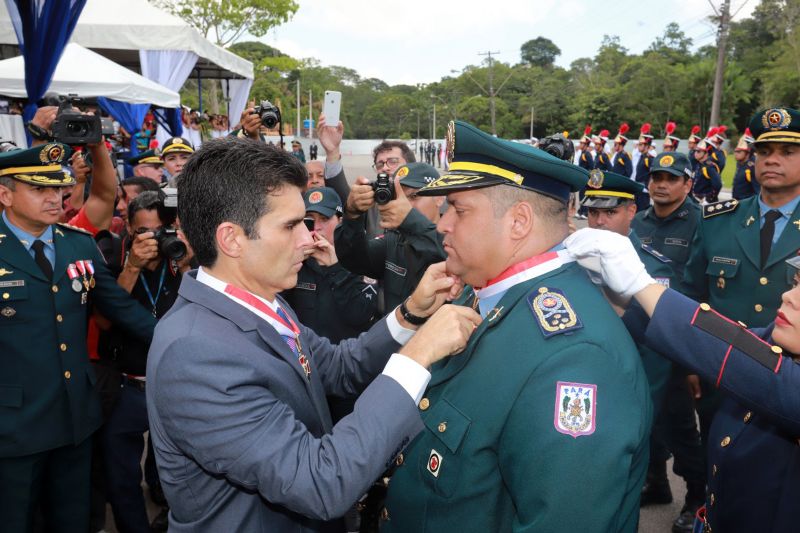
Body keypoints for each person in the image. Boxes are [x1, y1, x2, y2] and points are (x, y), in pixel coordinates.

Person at [146, 137, 481, 531]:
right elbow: (320, 483)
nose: (308, 239)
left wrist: (410, 314)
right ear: (232, 239)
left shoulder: (262, 303)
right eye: (291, 226)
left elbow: (338, 366)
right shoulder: (194, 351)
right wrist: (417, 357)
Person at [382, 121, 652, 532]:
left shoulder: (575, 358)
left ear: (519, 222)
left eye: (459, 209)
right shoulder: (483, 293)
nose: (442, 224)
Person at [565, 227, 800, 533]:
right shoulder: (775, 341)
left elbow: (741, 362)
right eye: (796, 283)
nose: (788, 296)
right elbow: (709, 342)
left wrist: (641, 285)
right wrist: (620, 299)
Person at [0, 143, 157, 532]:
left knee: (74, 519)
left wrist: (178, 340)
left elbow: (120, 308)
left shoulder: (78, 244)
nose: (55, 197)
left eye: (58, 187)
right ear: (5, 194)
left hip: (75, 418)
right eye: (40, 189)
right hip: (12, 425)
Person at [101, 191, 193, 533]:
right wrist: (132, 267)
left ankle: (170, 518)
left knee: (179, 469)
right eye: (143, 231)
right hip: (127, 385)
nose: (153, 240)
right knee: (121, 475)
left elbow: (199, 315)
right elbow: (103, 321)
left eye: (160, 231)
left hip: (174, 385)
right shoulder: (112, 255)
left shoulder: (179, 256)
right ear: (128, 228)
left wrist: (186, 263)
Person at [630, 151, 706, 530]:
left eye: (671, 178)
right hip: (641, 336)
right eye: (656, 177)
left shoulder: (701, 223)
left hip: (677, 339)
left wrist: (693, 358)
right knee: (646, 416)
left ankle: (697, 497)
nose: (661, 184)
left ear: (688, 184)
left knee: (679, 425)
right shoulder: (638, 221)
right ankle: (656, 481)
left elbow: (699, 290)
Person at [335, 162, 446, 312]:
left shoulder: (455, 238)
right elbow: (353, 258)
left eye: (414, 196)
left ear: (439, 198)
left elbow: (445, 254)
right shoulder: (394, 240)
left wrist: (410, 220)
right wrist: (352, 215)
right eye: (398, 197)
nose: (405, 204)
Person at [283, 186, 377, 344]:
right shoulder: (296, 261)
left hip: (346, 355)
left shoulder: (359, 258)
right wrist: (291, 261)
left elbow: (361, 315)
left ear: (340, 221)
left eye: (324, 219)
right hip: (307, 354)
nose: (317, 226)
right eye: (309, 220)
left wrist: (335, 268)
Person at [691, 137, 722, 204]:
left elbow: (718, 185)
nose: (695, 153)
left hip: (705, 203)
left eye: (698, 151)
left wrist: (708, 199)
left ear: (706, 153)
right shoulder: (698, 164)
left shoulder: (710, 167)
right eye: (695, 151)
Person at [731, 128, 759, 200]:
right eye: (735, 151)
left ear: (747, 153)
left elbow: (758, 191)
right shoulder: (740, 164)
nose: (736, 154)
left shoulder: (752, 167)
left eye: (739, 152)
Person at [634, 123, 655, 211]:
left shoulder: (649, 158)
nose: (638, 146)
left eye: (640, 144)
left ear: (646, 146)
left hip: (644, 189)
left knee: (642, 211)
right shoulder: (641, 156)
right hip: (638, 188)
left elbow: (653, 174)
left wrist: (648, 187)